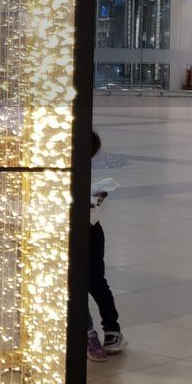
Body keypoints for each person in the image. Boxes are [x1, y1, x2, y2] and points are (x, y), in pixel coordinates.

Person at [87, 130, 125, 361]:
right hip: (82, 231)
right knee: (84, 283)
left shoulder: (81, 169)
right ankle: (90, 332)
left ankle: (112, 329)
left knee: (95, 282)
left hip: (90, 232)